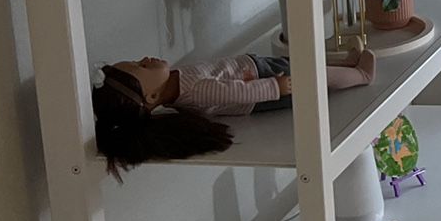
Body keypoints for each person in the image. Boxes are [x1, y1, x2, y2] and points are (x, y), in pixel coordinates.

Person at [92, 50, 375, 174]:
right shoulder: (195, 91)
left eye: (136, 60)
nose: (145, 59)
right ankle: (360, 75)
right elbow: (236, 92)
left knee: (304, 58)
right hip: (264, 80)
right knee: (315, 75)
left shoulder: (180, 85)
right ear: (152, 96)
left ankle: (347, 65)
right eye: (141, 66)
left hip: (255, 68)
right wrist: (275, 87)